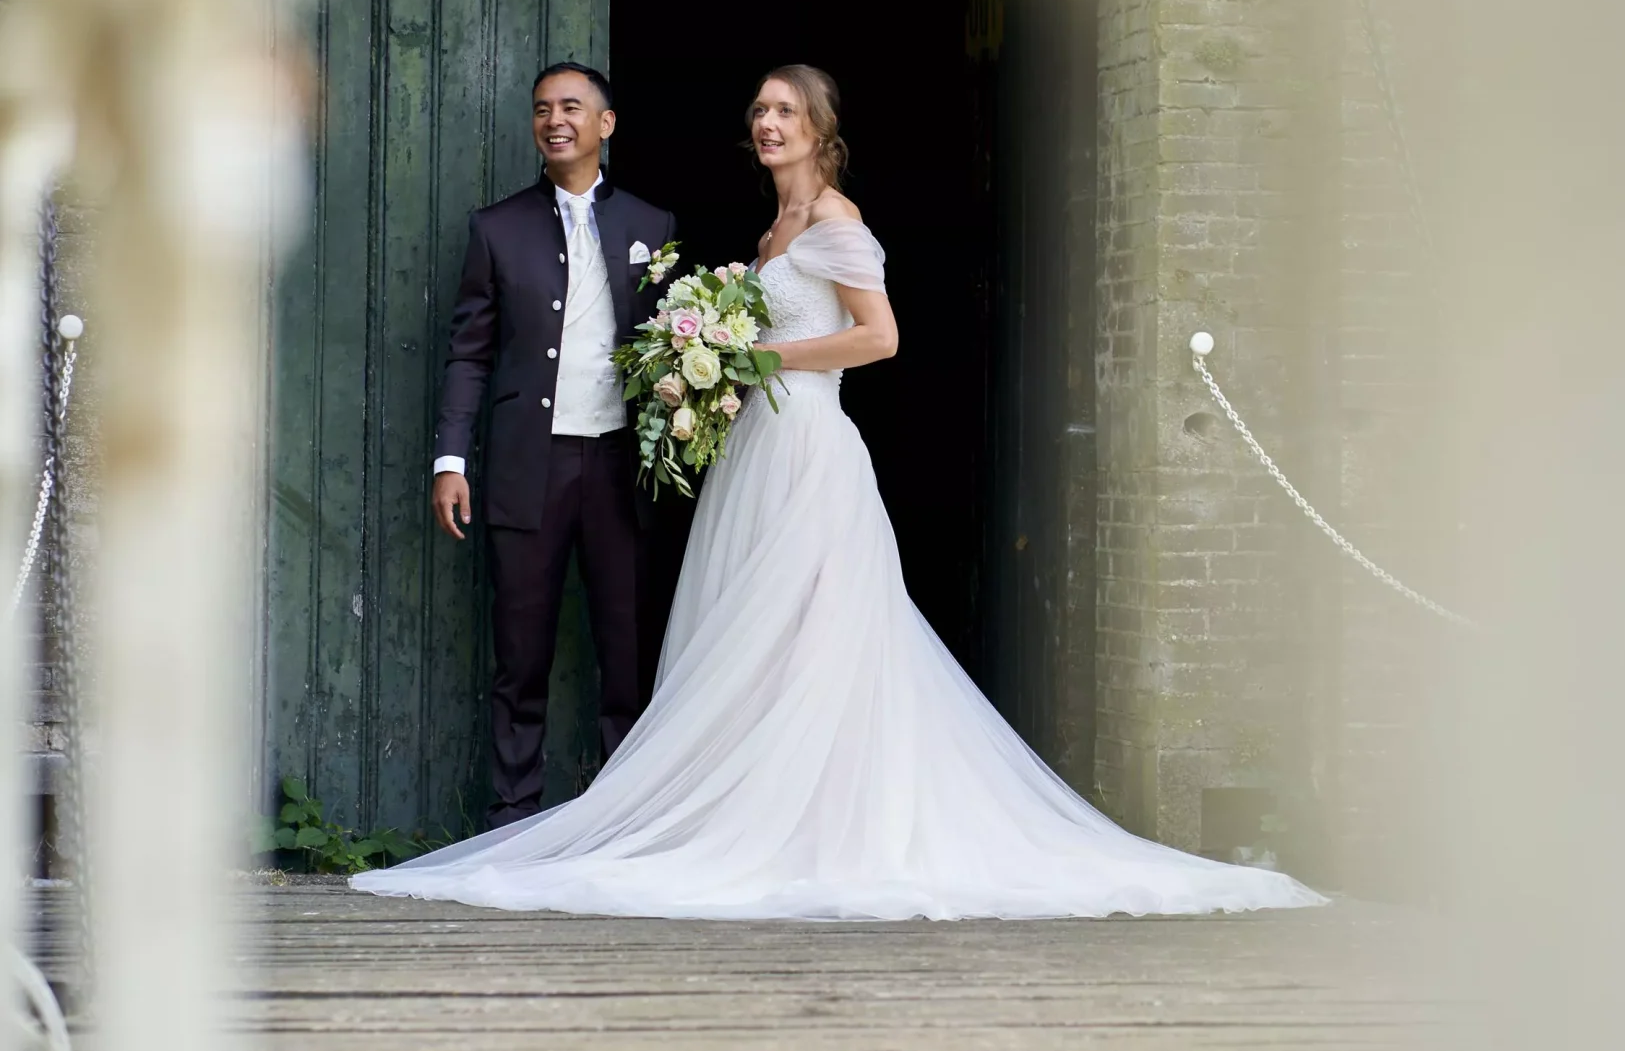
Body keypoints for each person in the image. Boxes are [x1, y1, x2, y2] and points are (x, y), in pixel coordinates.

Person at [358, 65, 1320, 919]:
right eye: (759, 111)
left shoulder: (832, 220)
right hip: (750, 452)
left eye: (785, 111)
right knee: (752, 643)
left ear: (820, 129)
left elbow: (880, 337)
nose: (767, 123)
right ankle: (743, 815)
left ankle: (818, 830)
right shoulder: (770, 228)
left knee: (819, 639)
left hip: (810, 450)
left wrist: (756, 356)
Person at [430, 60, 674, 825]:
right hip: (525, 465)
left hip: (618, 466)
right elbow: (468, 352)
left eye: (570, 106)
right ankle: (512, 815)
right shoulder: (496, 227)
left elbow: (668, 347)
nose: (554, 120)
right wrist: (450, 459)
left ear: (605, 123)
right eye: (541, 108)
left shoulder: (652, 226)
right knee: (520, 654)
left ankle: (622, 819)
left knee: (625, 654)